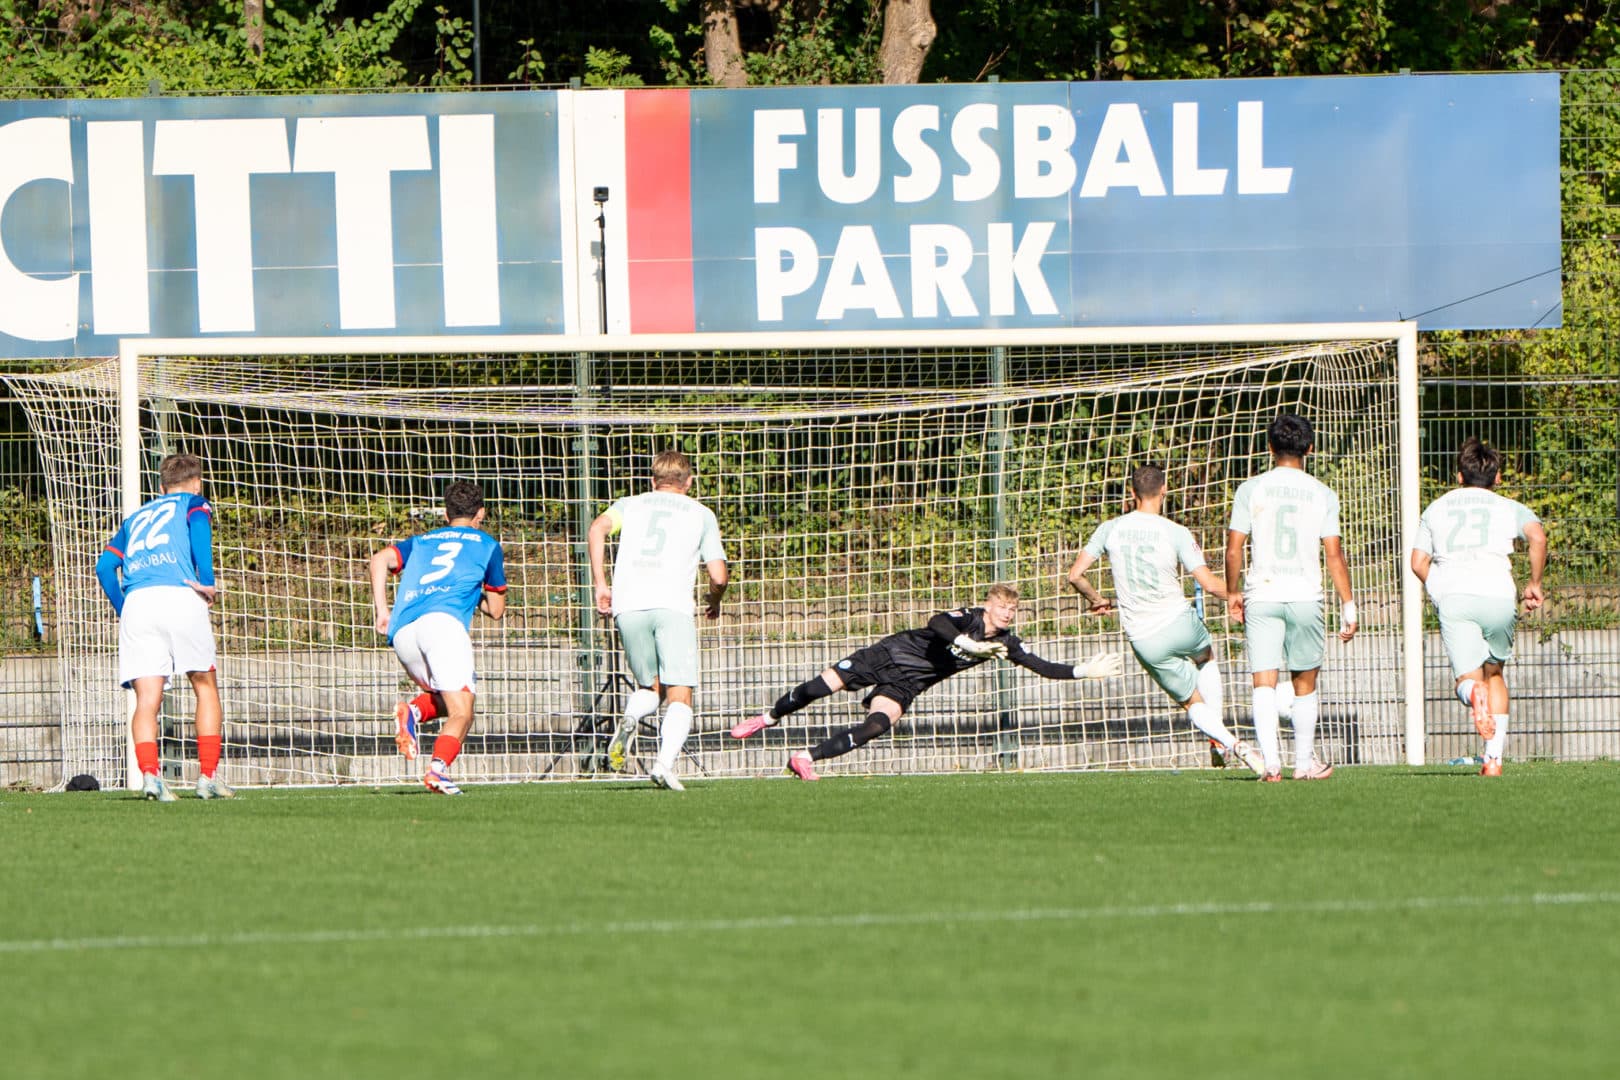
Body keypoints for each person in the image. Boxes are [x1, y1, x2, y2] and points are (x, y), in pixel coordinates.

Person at [729, 584, 1123, 780]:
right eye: (1002, 606)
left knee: (877, 725)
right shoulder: (967, 618)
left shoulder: (1005, 642)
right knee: (820, 686)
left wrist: (1083, 671)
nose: (1007, 613)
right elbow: (936, 622)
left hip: (908, 684)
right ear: (988, 604)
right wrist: (966, 641)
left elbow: (1041, 665)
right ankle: (768, 717)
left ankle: (805, 759)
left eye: (1013, 609)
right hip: (887, 655)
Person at [1067, 464, 1266, 776]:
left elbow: (1075, 575)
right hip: (1179, 622)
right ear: (1164, 491)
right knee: (1205, 656)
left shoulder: (1109, 529)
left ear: (1131, 494)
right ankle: (1218, 741)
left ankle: (1233, 745)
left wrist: (1097, 600)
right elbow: (1211, 584)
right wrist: (1236, 597)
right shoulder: (1176, 532)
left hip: (1145, 638)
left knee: (1191, 703)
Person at [1225, 413, 1358, 781]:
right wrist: (1349, 604)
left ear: (1270, 448)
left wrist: (1233, 591)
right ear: (1310, 449)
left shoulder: (1251, 489)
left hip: (1263, 594)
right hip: (1305, 596)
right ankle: (1303, 764)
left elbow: (1235, 548)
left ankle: (1270, 764)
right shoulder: (1322, 492)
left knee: (1263, 681)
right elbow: (1333, 552)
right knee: (1305, 684)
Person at [588, 449, 729, 792]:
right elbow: (719, 576)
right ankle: (664, 765)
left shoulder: (630, 504)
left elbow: (597, 529)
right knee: (680, 695)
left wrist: (601, 585)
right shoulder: (701, 513)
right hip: (672, 607)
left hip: (629, 607)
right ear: (689, 481)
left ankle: (632, 716)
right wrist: (714, 599)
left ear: (653, 481)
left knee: (652, 687)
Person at [95, 452, 230, 802]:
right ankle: (208, 777)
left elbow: (105, 567)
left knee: (147, 698)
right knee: (204, 684)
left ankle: (151, 778)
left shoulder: (136, 517)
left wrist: (125, 609)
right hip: (180, 593)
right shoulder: (195, 503)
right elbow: (200, 531)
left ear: (160, 487)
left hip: (139, 602)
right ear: (197, 482)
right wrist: (208, 581)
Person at [1410, 438, 1546, 776]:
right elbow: (1538, 537)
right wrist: (1534, 584)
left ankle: (1475, 697)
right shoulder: (1508, 506)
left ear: (1458, 476)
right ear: (1497, 477)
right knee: (1495, 672)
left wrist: (1438, 587)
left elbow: (1417, 562)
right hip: (1499, 595)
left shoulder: (1436, 508)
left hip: (1456, 596)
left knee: (1467, 682)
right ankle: (1493, 761)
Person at [368, 480, 506, 795]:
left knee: (447, 698)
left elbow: (379, 560)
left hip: (403, 631)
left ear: (446, 514)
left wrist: (382, 610)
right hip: (442, 627)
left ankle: (413, 712)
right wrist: (474, 590)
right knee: (463, 711)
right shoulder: (487, 545)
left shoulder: (421, 540)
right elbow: (497, 609)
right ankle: (437, 771)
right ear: (480, 514)